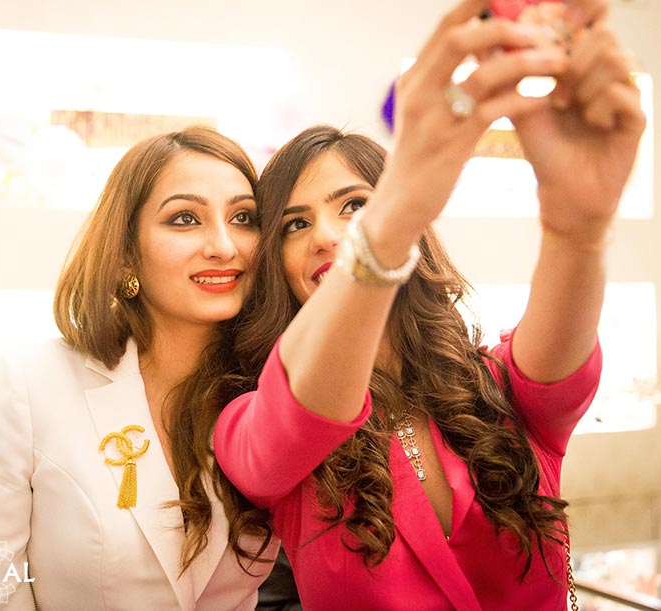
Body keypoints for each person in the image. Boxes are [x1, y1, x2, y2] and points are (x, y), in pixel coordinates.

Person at [214, 0, 645, 609]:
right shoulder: (245, 423)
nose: (327, 237)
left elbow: (563, 360)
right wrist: (392, 215)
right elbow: (302, 411)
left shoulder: (502, 389)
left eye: (354, 205)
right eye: (294, 224)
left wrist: (581, 226)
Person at [0, 127, 278, 610]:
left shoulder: (270, 395)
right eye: (184, 219)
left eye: (243, 218)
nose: (224, 245)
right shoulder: (30, 383)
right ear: (126, 253)